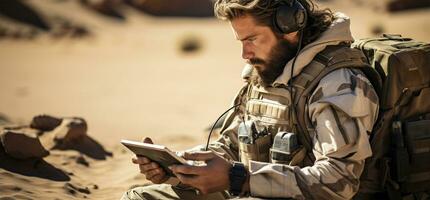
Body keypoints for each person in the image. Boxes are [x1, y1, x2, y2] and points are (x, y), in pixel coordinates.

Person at [121, 0, 379, 199]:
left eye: (252, 39)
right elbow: (233, 145)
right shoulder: (267, 73)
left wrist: (237, 178)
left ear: (289, 28)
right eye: (241, 41)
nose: (245, 54)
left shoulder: (337, 82)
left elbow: (339, 182)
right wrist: (182, 169)